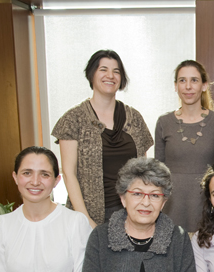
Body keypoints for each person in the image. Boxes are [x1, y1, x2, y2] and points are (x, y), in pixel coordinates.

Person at [53, 49, 153, 228]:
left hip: (129, 214)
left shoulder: (134, 118)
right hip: (87, 214)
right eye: (103, 69)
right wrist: (86, 220)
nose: (110, 75)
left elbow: (142, 171)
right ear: (91, 74)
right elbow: (69, 173)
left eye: (116, 71)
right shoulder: (73, 119)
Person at [155, 60, 214, 232]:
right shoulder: (164, 122)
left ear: (204, 86)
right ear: (175, 86)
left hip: (208, 207)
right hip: (171, 208)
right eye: (182, 80)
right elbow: (158, 173)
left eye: (194, 80)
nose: (188, 86)